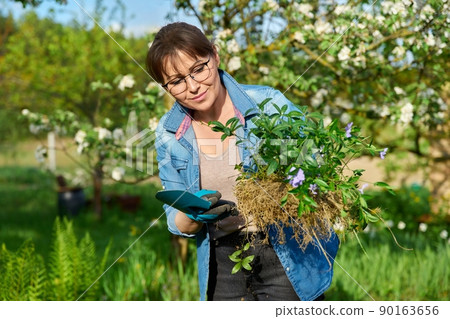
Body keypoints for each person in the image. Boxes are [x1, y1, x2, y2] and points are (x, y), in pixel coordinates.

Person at [146, 22, 339, 301]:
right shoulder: (169, 133)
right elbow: (175, 222)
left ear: (215, 54)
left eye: (199, 68)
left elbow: (317, 165)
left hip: (284, 253)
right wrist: (193, 213)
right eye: (176, 81)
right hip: (223, 263)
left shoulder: (267, 105)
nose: (193, 86)